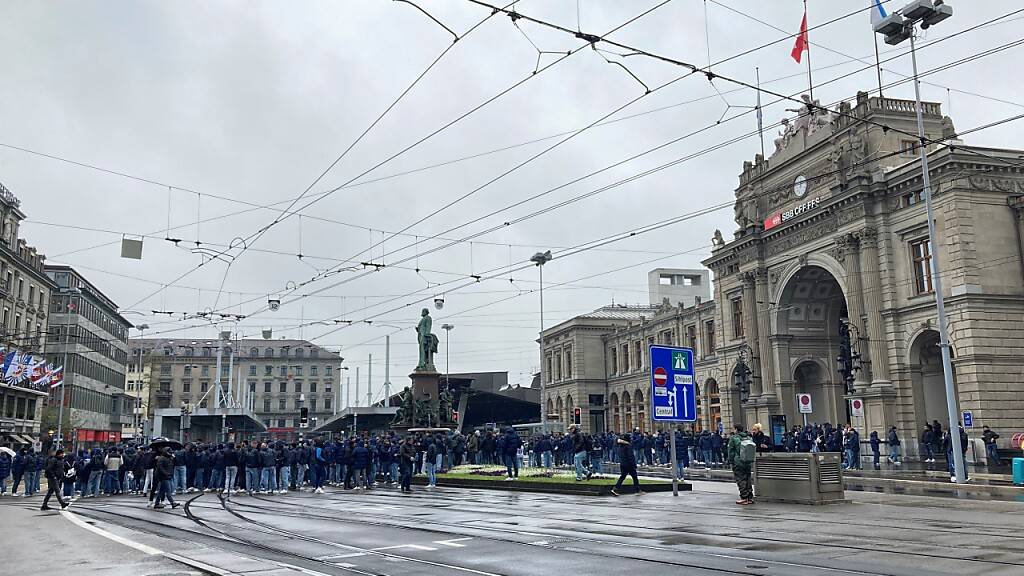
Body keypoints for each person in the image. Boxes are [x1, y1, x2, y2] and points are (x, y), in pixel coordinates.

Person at [726, 423, 755, 505]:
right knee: (748, 479)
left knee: (741, 480)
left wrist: (731, 461)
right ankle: (750, 497)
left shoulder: (734, 438)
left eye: (733, 429)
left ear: (736, 429)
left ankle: (744, 497)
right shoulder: (748, 437)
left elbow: (731, 451)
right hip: (747, 461)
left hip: (738, 462)